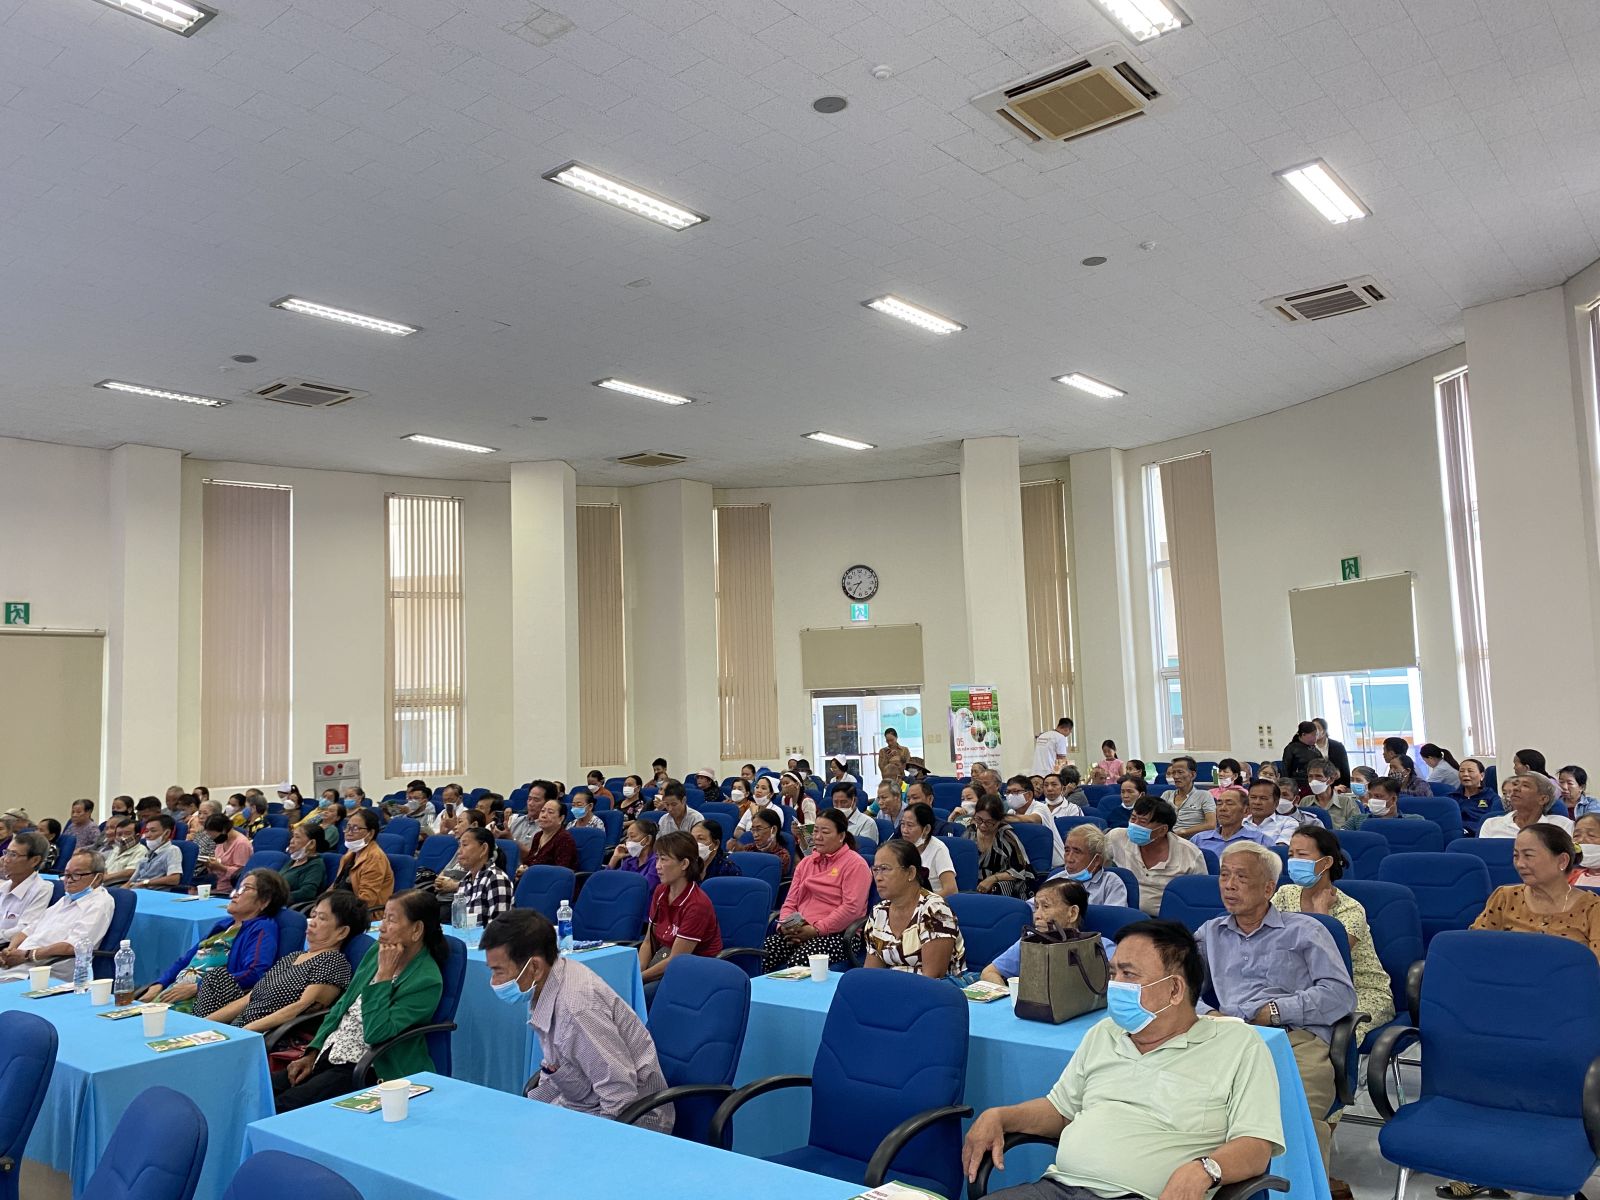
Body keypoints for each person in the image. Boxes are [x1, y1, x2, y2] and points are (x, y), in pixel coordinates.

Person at [961, 919, 1285, 1200]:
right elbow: (1060, 1110)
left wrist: (1205, 1170)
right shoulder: (1106, 1033)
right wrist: (1001, 1116)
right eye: (1113, 972)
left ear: (1174, 990)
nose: (1115, 985)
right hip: (1059, 1188)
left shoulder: (1237, 1046)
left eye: (1129, 974)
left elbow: (1256, 1146)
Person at [1198, 841, 1355, 1175]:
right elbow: (1176, 985)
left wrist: (1275, 1010)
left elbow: (1340, 994)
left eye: (1241, 877)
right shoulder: (1210, 933)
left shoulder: (1306, 930)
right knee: (1197, 1114)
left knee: (1294, 1122)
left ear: (1269, 888)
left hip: (1295, 1041)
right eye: (1224, 875)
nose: (1229, 885)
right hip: (1229, 1039)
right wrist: (1209, 1014)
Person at [482, 909, 672, 1130]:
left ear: (534, 967)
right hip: (581, 1105)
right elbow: (558, 1067)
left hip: (629, 1121)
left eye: (499, 972)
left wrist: (583, 1143)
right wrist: (529, 1114)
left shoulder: (577, 1011)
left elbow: (620, 1095)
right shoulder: (553, 978)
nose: (494, 982)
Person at [273, 890, 447, 1110]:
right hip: (331, 1052)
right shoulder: (378, 950)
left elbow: (376, 1033)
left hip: (368, 1066)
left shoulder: (426, 980)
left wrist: (383, 977)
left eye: (391, 920)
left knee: (283, 1106)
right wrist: (312, 1052)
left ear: (417, 930)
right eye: (383, 917)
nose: (381, 927)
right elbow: (343, 1005)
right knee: (263, 1090)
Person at [1276, 825, 1394, 1034]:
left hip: (1356, 991)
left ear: (1326, 862)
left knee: (1326, 1033)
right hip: (1298, 989)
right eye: (1291, 855)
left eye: (1302, 855)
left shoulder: (1350, 909)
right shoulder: (1285, 894)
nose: (1293, 861)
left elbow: (1327, 960)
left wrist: (1322, 913)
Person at [208, 889, 364, 1032]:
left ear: (342, 932)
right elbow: (249, 998)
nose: (312, 922)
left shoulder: (333, 962)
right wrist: (206, 1024)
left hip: (267, 1032)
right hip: (240, 1025)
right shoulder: (293, 956)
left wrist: (245, 1031)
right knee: (217, 976)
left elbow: (302, 1006)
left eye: (322, 918)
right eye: (314, 915)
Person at [139, 869, 286, 1014]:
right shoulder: (223, 925)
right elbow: (186, 960)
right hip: (172, 994)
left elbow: (255, 973)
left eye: (245, 889)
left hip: (203, 1003)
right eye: (238, 888)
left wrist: (198, 987)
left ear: (264, 902)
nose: (235, 894)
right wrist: (160, 984)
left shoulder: (262, 928)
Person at [761, 808, 871, 971]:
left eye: (825, 832)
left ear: (841, 836)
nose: (817, 837)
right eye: (815, 831)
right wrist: (785, 926)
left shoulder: (855, 865)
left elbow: (851, 909)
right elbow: (790, 901)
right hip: (800, 930)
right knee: (762, 954)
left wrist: (816, 930)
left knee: (798, 964)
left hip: (838, 934)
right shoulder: (806, 863)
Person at [1470, 824, 1600, 961]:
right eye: (1516, 856)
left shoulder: (1592, 908)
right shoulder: (1504, 897)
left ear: (1562, 861)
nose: (1520, 864)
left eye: (1528, 855)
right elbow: (1475, 949)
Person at [0, 851, 115, 982]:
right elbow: (28, 931)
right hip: (17, 965)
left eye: (76, 875)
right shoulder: (66, 899)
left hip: (42, 973)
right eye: (66, 874)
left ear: (98, 878)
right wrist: (10, 951)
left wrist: (28, 955)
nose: (68, 880)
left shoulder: (100, 903)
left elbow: (74, 946)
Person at [981, 878, 1115, 987]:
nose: (1037, 915)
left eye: (1045, 906)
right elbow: (989, 973)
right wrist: (1010, 998)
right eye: (1036, 907)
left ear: (1072, 913)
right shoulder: (1030, 942)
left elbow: (1119, 983)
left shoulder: (1100, 946)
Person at [864, 839, 966, 980]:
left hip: (937, 988)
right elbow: (871, 973)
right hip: (894, 985)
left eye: (885, 869)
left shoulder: (935, 911)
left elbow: (932, 978)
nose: (878, 878)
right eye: (875, 870)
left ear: (911, 873)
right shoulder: (879, 912)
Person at [637, 831, 723, 997]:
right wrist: (637, 973)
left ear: (684, 864)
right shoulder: (661, 891)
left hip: (694, 970)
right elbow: (648, 942)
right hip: (664, 959)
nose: (657, 866)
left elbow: (677, 960)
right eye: (657, 859)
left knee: (640, 995)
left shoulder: (697, 905)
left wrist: (639, 979)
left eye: (664, 859)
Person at [1106, 796, 1206, 917]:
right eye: (1133, 818)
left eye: (1142, 822)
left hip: (1166, 919)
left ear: (1162, 830)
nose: (1134, 825)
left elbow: (1199, 897)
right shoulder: (1116, 837)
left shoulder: (1190, 853)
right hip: (1123, 914)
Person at [436, 827, 514, 927]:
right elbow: (460, 924)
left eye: (465, 845)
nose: (459, 851)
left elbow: (499, 929)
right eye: (459, 846)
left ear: (484, 849)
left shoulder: (497, 879)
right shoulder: (466, 880)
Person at [966, 795, 1033, 898]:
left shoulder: (1006, 836)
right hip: (973, 886)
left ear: (999, 820)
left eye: (989, 822)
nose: (982, 825)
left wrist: (993, 879)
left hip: (1002, 888)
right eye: (979, 819)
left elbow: (1021, 870)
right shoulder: (970, 833)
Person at [1047, 824, 1129, 907]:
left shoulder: (1111, 883)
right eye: (1067, 851)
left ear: (1096, 860)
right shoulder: (1056, 880)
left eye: (1077, 852)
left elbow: (1113, 914)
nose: (1069, 859)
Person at [333, 808, 394, 917]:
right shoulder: (351, 853)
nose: (348, 832)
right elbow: (336, 885)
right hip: (340, 907)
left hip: (363, 915)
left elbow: (366, 901)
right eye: (347, 827)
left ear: (370, 833)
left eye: (355, 828)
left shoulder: (375, 858)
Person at [1479, 771, 1575, 839]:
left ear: (1543, 799)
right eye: (1515, 784)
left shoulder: (1563, 825)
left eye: (1525, 785)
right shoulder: (1491, 824)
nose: (1515, 789)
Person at [1002, 776, 1065, 867]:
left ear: (1029, 795)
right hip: (1029, 863)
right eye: (1008, 792)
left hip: (1055, 865)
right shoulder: (1011, 812)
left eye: (1015, 792)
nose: (1010, 796)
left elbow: (1033, 820)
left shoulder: (1041, 807)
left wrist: (999, 818)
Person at [0, 832, 53, 941]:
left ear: (35, 860)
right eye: (6, 853)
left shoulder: (42, 889)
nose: (5, 859)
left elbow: (25, 929)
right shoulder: (4, 886)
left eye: (13, 855)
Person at [899, 802, 957, 897]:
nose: (904, 830)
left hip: (933, 901)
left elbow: (951, 890)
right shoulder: (901, 848)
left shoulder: (939, 849)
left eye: (910, 825)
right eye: (902, 824)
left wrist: (925, 901)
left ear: (926, 829)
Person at [1192, 787, 1272, 855]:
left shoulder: (1260, 841)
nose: (1222, 808)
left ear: (1246, 811)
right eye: (1219, 804)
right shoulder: (1198, 839)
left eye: (1230, 804)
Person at [1340, 777, 1427, 832]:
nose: (1372, 800)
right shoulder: (1356, 820)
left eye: (1378, 796)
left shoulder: (1415, 820)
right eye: (1370, 796)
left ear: (1393, 799)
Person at [1241, 778, 1307, 846]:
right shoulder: (1239, 821)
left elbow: (1279, 850)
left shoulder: (1288, 823)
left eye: (1263, 798)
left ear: (1276, 803)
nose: (1257, 802)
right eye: (1253, 797)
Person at [729, 807, 791, 879]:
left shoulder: (783, 856)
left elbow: (764, 874)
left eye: (759, 829)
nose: (755, 835)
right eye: (753, 829)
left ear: (773, 830)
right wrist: (738, 853)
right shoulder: (749, 848)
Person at [127, 814, 183, 889]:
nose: (147, 835)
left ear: (167, 833)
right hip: (135, 890)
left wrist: (145, 882)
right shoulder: (148, 853)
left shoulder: (172, 850)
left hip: (152, 892)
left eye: (153, 831)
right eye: (146, 831)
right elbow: (130, 882)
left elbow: (174, 879)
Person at [520, 798, 578, 871]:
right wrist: (524, 868)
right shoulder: (538, 836)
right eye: (542, 811)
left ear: (561, 818)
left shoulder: (564, 839)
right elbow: (530, 861)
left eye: (550, 812)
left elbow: (561, 871)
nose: (543, 815)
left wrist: (530, 871)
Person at [1165, 757, 1215, 839]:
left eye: (1180, 772)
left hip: (1192, 839)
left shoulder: (1204, 795)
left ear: (1192, 775)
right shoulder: (1167, 795)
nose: (1176, 776)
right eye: (1173, 773)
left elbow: (1211, 824)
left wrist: (1183, 832)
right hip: (1167, 839)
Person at [1305, 757, 1359, 829]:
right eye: (1310, 776)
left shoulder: (1347, 802)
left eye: (1318, 776)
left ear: (1331, 780)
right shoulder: (1305, 801)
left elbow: (1357, 830)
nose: (1313, 780)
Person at [282, 823, 328, 906]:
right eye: (292, 836)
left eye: (297, 837)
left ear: (312, 843)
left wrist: (277, 898)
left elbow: (307, 893)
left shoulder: (316, 865)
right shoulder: (293, 861)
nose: (291, 841)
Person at [608, 820, 661, 890]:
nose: (628, 841)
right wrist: (615, 858)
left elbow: (643, 888)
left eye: (632, 836)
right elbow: (607, 881)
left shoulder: (657, 862)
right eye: (627, 837)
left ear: (648, 839)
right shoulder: (629, 861)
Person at [100, 817, 147, 886]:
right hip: (105, 884)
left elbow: (131, 871)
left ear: (137, 836)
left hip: (121, 884)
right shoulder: (116, 849)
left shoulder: (141, 850)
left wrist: (107, 877)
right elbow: (106, 867)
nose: (122, 837)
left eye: (127, 834)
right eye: (119, 834)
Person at [1310, 718, 1352, 786]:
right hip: (1316, 784)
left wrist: (1346, 786)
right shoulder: (1307, 747)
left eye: (1316, 728)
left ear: (1324, 731)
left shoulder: (1338, 746)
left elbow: (1345, 769)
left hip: (1336, 784)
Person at [1280, 720, 1323, 786]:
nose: (1316, 737)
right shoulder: (1291, 749)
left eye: (1316, 735)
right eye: (1313, 735)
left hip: (1315, 783)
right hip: (1298, 784)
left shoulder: (1316, 751)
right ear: (1303, 734)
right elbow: (1285, 771)